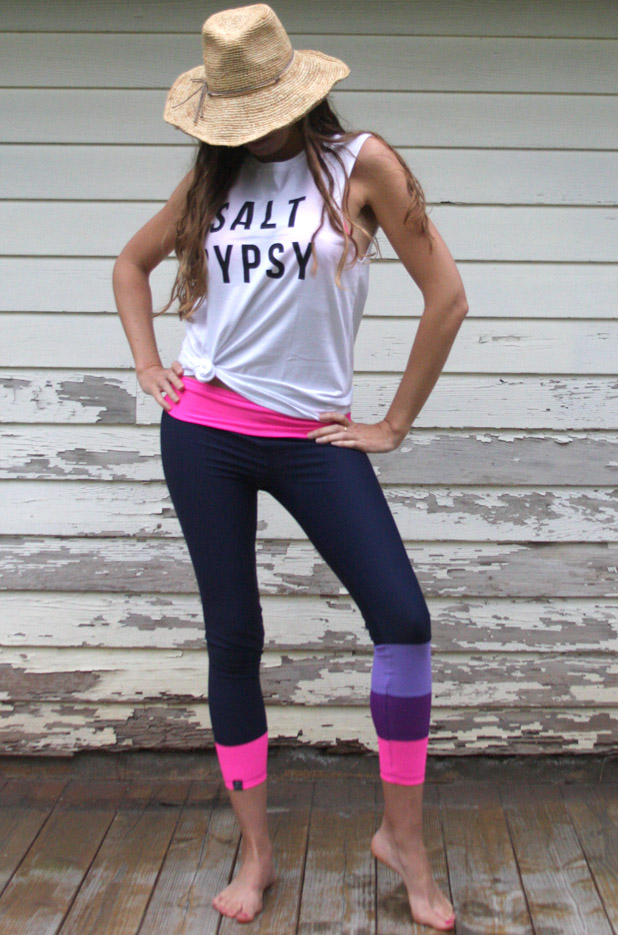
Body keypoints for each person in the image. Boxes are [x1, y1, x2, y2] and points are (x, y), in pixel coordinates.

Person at [113, 4, 468, 930]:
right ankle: (257, 851)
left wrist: (393, 423)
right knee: (234, 637)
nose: (243, 131)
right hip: (204, 432)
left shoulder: (362, 163)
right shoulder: (211, 176)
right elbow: (130, 265)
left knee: (403, 618)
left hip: (311, 437)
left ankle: (403, 840)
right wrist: (150, 366)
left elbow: (447, 297)